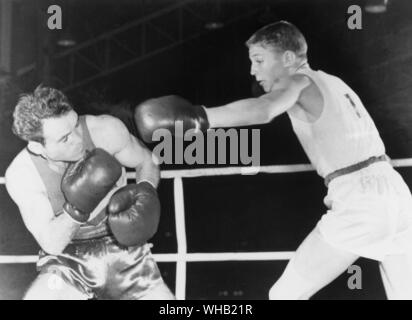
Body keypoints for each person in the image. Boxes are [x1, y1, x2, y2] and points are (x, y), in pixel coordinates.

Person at [133, 21, 412, 299]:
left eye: (259, 60)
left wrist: (198, 117)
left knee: (284, 295)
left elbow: (264, 110)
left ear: (289, 58)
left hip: (360, 199)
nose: (253, 71)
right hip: (396, 194)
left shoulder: (299, 80)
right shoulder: (334, 82)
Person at [5, 86, 175, 300]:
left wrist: (147, 190)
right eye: (64, 139)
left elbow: (147, 160)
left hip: (123, 245)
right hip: (68, 259)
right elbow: (51, 243)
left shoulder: (104, 130)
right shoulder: (23, 174)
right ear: (38, 147)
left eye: (76, 125)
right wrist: (79, 205)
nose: (77, 139)